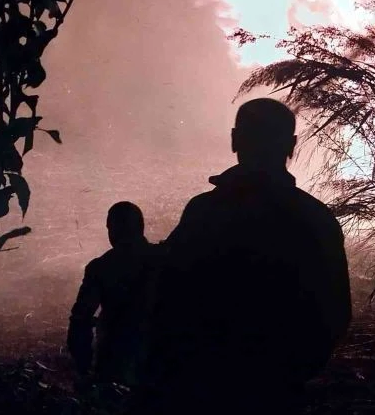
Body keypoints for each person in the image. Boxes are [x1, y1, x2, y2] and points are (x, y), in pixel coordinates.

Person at [141, 98, 352, 413]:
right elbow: (335, 313)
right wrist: (290, 372)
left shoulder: (203, 212)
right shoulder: (315, 218)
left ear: (235, 139)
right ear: (291, 145)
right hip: (277, 389)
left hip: (199, 386)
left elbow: (165, 301)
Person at [67, 201, 160, 386]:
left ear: (112, 230)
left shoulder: (101, 267)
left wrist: (83, 368)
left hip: (115, 361)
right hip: (160, 360)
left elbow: (80, 319)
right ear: (141, 227)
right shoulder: (164, 258)